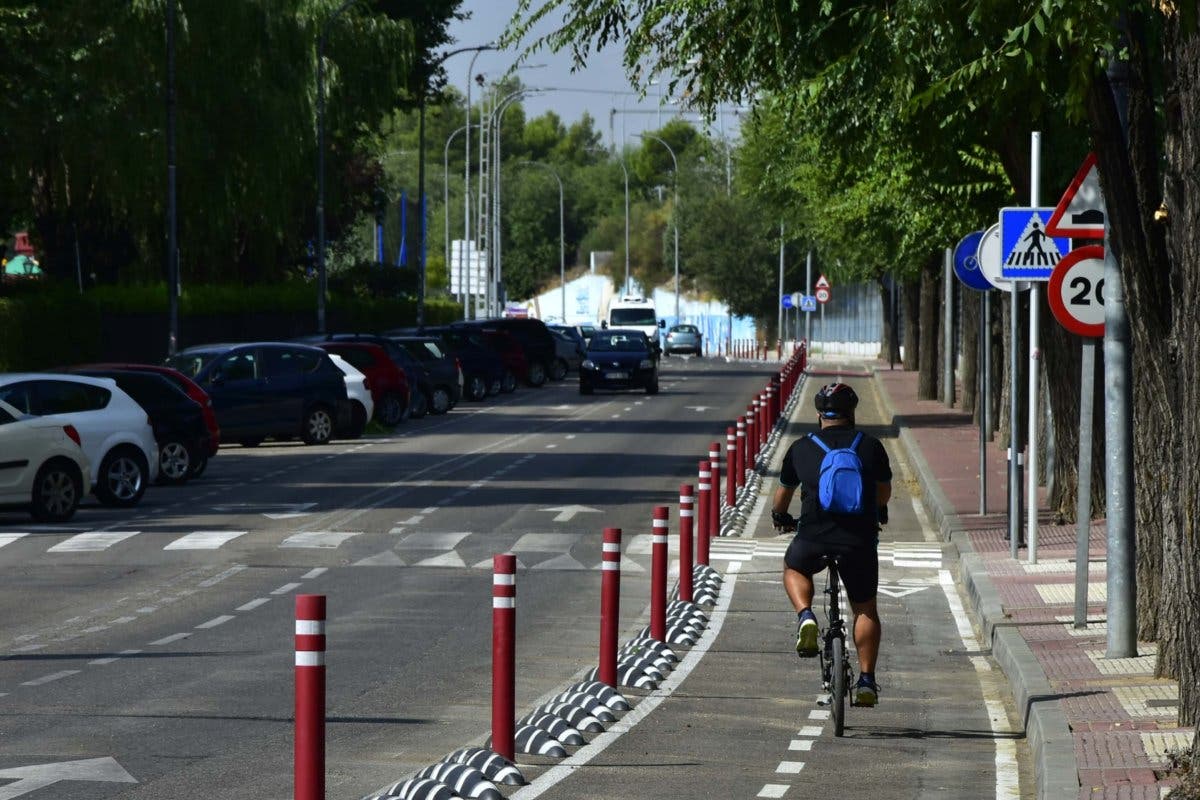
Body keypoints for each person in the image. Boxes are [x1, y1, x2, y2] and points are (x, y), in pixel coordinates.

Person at [771, 382, 892, 706]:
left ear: (819, 414)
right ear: (852, 413)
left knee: (794, 567)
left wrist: (779, 516)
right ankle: (866, 681)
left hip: (813, 537)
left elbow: (783, 495)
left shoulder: (801, 448)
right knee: (865, 608)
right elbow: (884, 492)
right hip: (859, 541)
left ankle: (806, 615)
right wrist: (877, 512)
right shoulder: (870, 446)